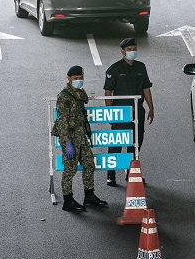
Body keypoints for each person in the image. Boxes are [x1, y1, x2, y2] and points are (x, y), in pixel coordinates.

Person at [52, 66, 109, 213]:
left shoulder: (78, 93)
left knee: (89, 164)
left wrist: (79, 90)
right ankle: (68, 200)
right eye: (75, 78)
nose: (79, 80)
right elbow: (62, 121)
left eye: (80, 77)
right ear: (69, 78)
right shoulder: (64, 96)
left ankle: (89, 195)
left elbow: (84, 99)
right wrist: (67, 143)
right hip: (70, 138)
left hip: (81, 136)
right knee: (69, 170)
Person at [103, 37, 154, 186]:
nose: (132, 51)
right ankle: (111, 175)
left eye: (134, 49)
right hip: (120, 113)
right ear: (122, 51)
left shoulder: (141, 67)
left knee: (136, 144)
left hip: (138, 111)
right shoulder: (115, 69)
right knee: (116, 144)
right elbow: (108, 92)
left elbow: (146, 88)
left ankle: (132, 171)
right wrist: (110, 112)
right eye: (129, 49)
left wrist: (151, 107)